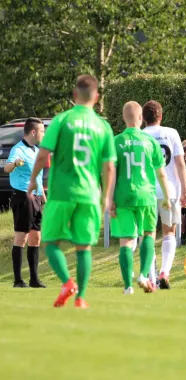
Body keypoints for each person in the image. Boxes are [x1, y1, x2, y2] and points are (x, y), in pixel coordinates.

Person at [27, 75, 116, 309]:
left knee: (49, 241)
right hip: (89, 194)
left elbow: (44, 153)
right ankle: (81, 298)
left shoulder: (62, 120)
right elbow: (109, 166)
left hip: (61, 192)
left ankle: (67, 282)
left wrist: (33, 179)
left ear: (75, 95)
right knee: (84, 246)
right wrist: (107, 196)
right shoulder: (103, 126)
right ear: (96, 98)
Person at [110, 101, 172, 295]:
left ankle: (128, 285)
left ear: (124, 118)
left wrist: (109, 199)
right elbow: (161, 173)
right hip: (146, 195)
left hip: (123, 196)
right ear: (140, 118)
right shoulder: (150, 142)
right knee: (148, 235)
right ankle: (144, 275)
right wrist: (167, 196)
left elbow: (110, 173)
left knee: (126, 241)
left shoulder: (115, 142)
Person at [142, 100, 186, 289]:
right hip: (169, 189)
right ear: (161, 116)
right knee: (169, 231)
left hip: (146, 191)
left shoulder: (140, 136)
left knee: (148, 234)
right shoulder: (171, 133)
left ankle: (152, 277)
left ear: (143, 119)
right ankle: (165, 271)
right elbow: (180, 163)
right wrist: (185, 191)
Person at [5, 118, 46, 288]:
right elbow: (7, 168)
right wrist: (14, 164)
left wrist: (44, 200)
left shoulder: (36, 151)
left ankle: (34, 279)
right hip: (23, 197)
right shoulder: (18, 149)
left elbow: (37, 177)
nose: (44, 134)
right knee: (22, 237)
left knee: (36, 237)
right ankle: (17, 280)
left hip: (36, 197)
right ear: (34, 132)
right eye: (42, 131)